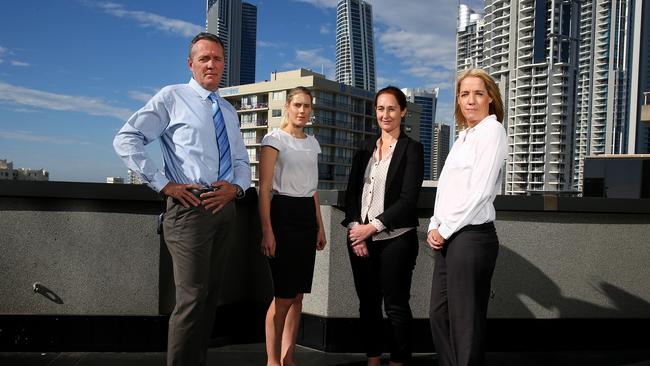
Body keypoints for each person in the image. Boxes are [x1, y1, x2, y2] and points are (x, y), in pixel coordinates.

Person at [113, 32, 251, 366]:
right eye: (204, 58)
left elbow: (242, 161)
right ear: (191, 64)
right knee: (190, 300)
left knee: (209, 299)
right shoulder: (171, 97)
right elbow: (126, 139)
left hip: (224, 210)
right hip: (189, 210)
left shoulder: (229, 111)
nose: (211, 64)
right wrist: (163, 185)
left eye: (217, 59)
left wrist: (237, 188)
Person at [427, 68, 507, 366]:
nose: (470, 100)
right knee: (440, 315)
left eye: (477, 93)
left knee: (466, 323)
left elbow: (481, 192)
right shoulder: (463, 137)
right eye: (464, 94)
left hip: (472, 238)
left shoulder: (492, 131)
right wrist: (435, 225)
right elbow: (447, 188)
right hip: (450, 236)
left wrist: (444, 229)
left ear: (490, 98)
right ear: (458, 101)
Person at [341, 86, 424, 366]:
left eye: (391, 108)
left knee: (396, 306)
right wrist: (357, 230)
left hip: (396, 240)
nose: (385, 114)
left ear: (402, 112)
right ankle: (373, 360)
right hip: (360, 240)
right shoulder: (365, 148)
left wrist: (372, 227)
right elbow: (351, 194)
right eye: (380, 108)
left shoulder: (412, 149)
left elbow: (408, 199)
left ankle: (399, 361)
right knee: (368, 305)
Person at [258, 86, 327, 366]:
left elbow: (312, 190)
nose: (302, 110)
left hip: (306, 218)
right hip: (282, 215)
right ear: (287, 106)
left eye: (307, 106)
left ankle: (289, 358)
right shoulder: (274, 139)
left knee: (298, 296)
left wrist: (320, 226)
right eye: (297, 105)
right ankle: (272, 361)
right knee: (283, 295)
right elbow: (263, 189)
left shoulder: (313, 143)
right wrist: (267, 231)